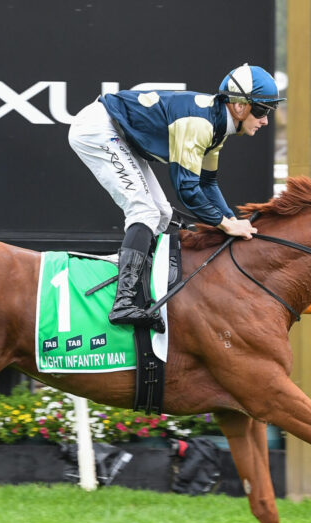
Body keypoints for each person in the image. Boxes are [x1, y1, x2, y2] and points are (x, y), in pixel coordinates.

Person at [68, 63, 284, 332]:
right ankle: (123, 302)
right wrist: (225, 224)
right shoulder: (201, 125)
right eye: (262, 110)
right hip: (98, 129)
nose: (265, 120)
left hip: (118, 131)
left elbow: (207, 183)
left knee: (162, 214)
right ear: (239, 106)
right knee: (144, 212)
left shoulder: (218, 127)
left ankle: (143, 293)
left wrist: (231, 219)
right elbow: (187, 190)